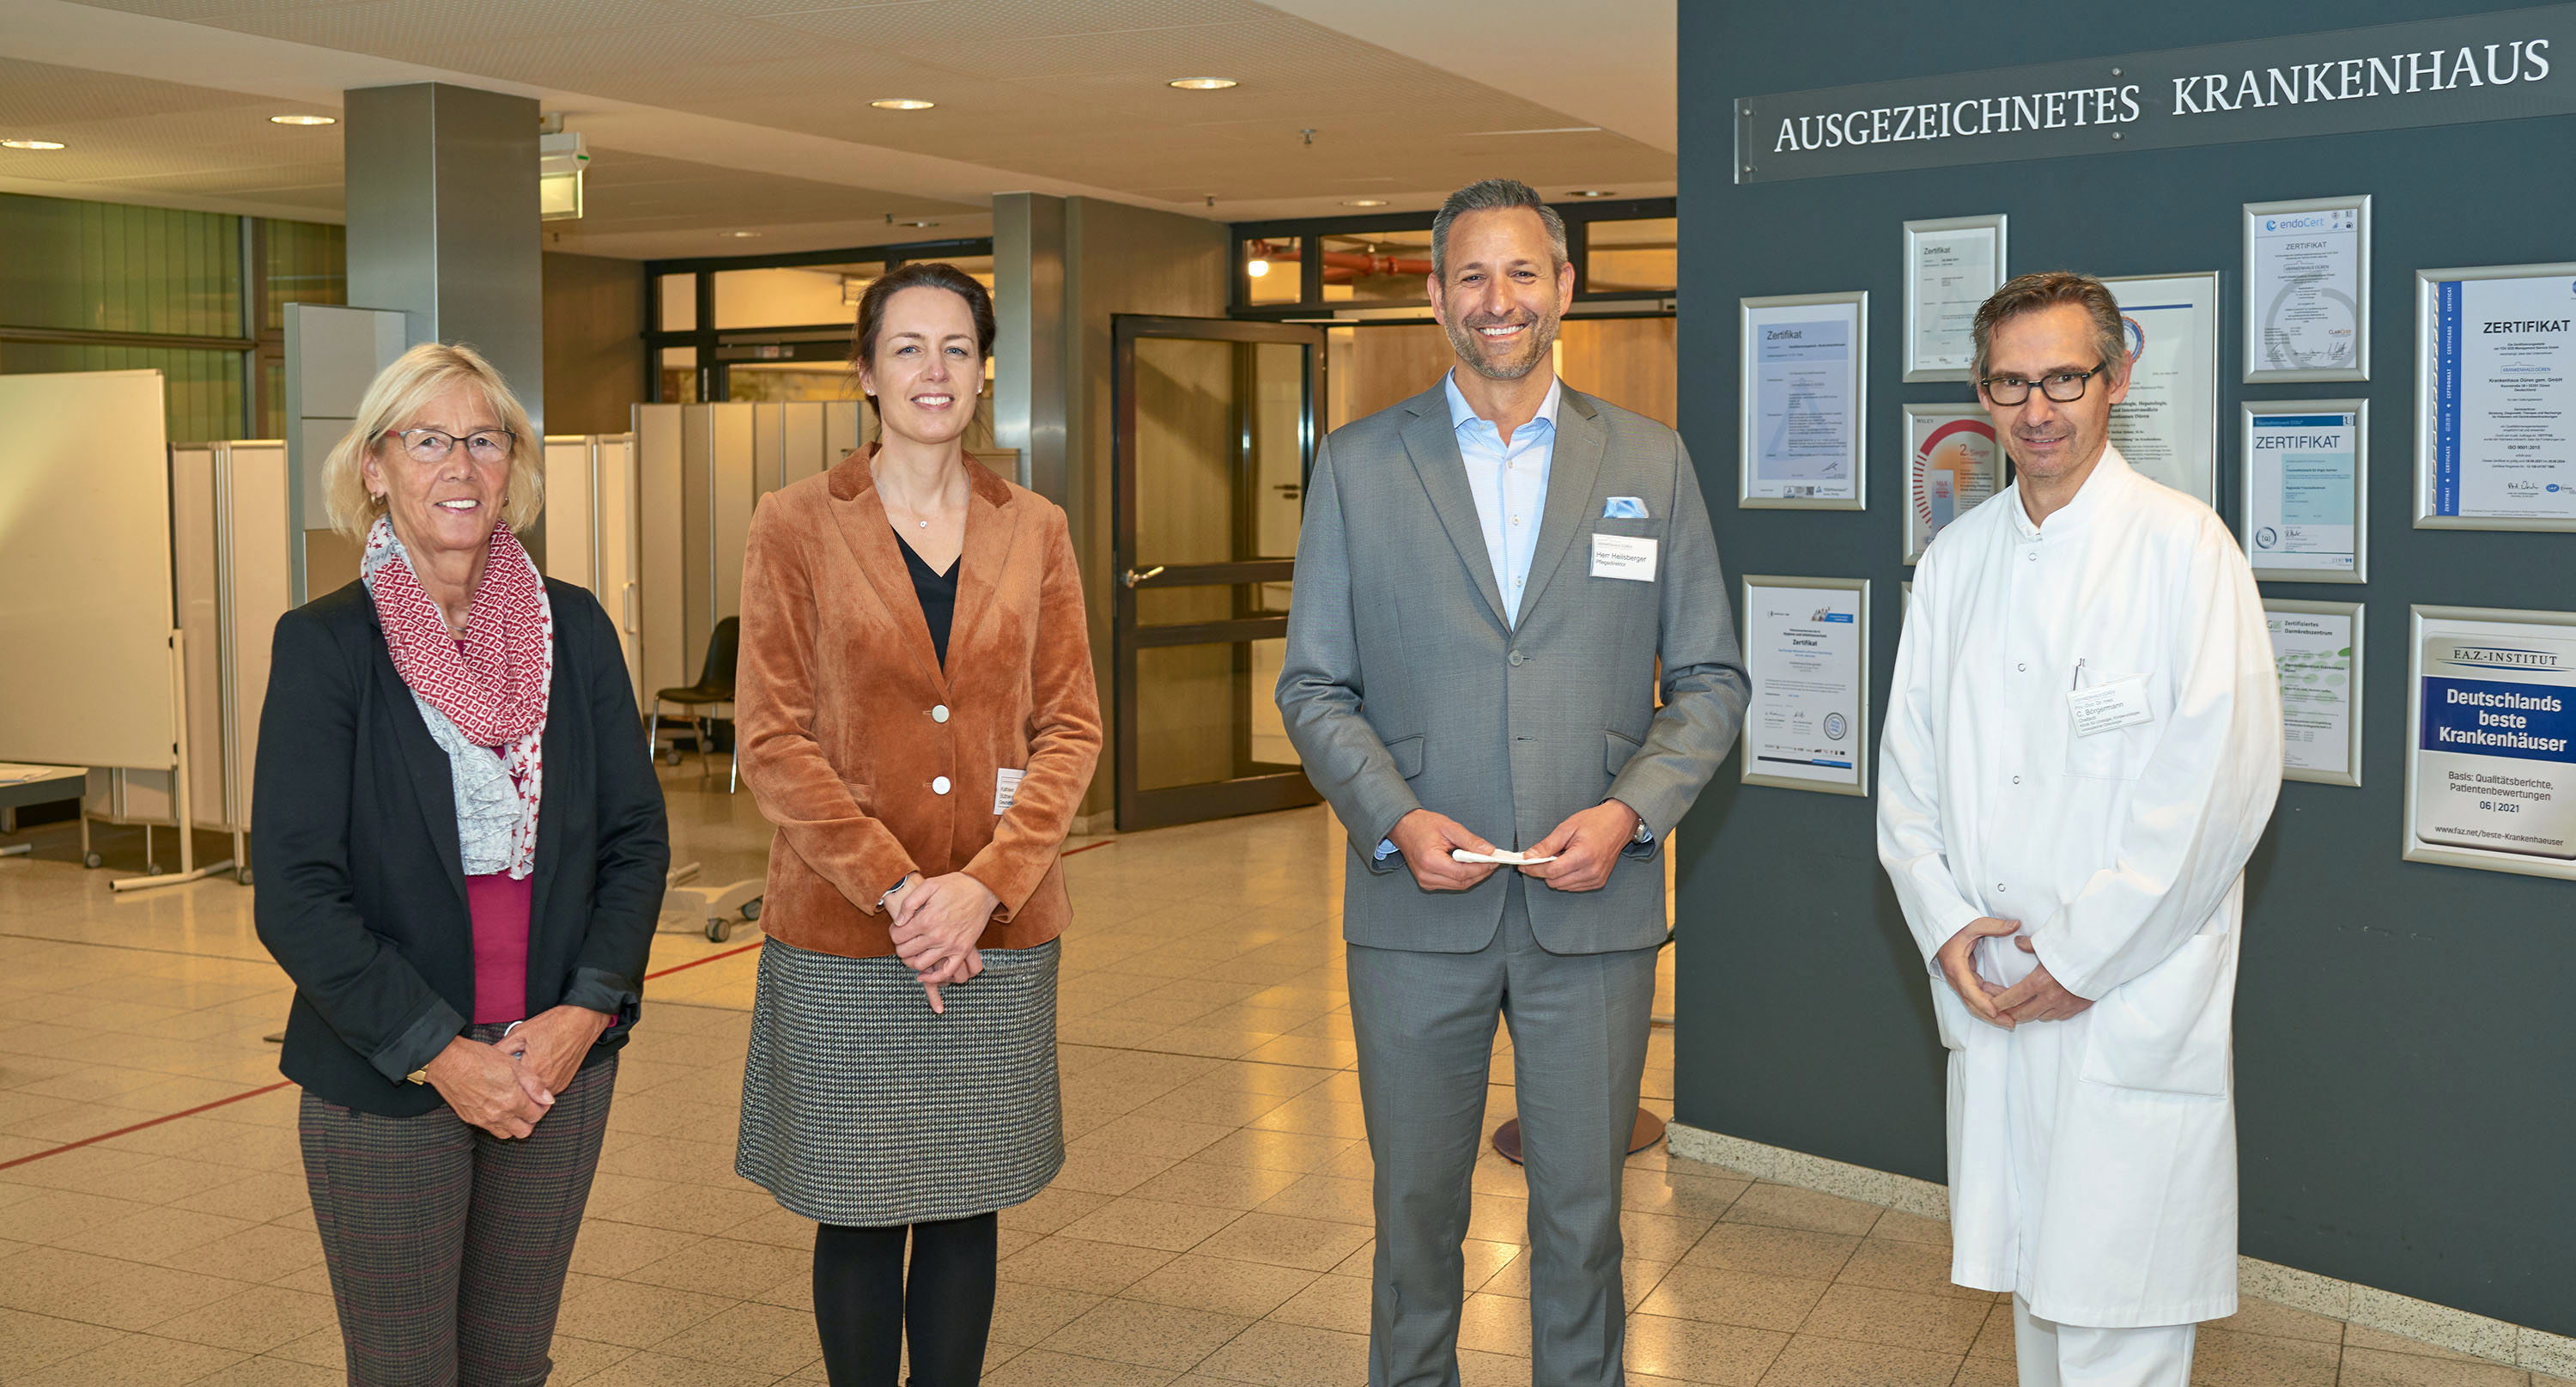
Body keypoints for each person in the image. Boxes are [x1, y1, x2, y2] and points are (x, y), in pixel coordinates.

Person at [1277, 178, 1747, 1386]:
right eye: (1473, 276)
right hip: (1411, 907)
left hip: (1591, 906)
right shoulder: (1359, 465)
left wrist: (1631, 810)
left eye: (1524, 273)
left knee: (1583, 1222)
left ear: (1565, 291)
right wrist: (1392, 814)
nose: (1501, 301)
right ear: (1435, 297)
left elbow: (1710, 678)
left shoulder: (1649, 459)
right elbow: (1314, 685)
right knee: (1414, 1225)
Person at [1876, 271, 2283, 1387]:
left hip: (2126, 1000)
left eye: (2064, 376)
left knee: (2121, 1320)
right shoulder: (1956, 563)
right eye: (2011, 382)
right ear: (1983, 392)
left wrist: (2082, 952)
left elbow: (2218, 792)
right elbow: (1906, 777)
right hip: (1997, 988)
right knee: (2042, 1316)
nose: (2037, 408)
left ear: (2116, 380)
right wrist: (1948, 921)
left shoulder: (2184, 550)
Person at [252, 342, 670, 1387]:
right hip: (387, 1073)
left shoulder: (574, 628)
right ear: (376, 468)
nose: (461, 466)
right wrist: (446, 1052)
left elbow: (635, 838)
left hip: (557, 1066)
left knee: (511, 1362)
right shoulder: (326, 645)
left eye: (484, 440)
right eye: (428, 439)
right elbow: (297, 892)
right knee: (404, 1371)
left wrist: (586, 1013)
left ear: (512, 470)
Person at [732, 261, 1102, 1387]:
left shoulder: (1033, 526)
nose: (932, 371)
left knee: (960, 1199)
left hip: (994, 931)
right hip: (847, 932)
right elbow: (771, 736)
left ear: (985, 372)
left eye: (955, 348)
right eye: (907, 347)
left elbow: (1071, 727)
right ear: (865, 371)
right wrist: (901, 890)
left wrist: (983, 885)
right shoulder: (796, 523)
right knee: (854, 1205)